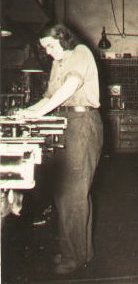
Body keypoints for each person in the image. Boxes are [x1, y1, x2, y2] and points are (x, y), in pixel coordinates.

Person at [15, 23, 103, 274]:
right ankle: (79, 251)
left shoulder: (81, 53)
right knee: (65, 192)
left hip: (82, 123)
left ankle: (73, 256)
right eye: (45, 48)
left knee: (72, 193)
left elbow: (70, 86)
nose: (49, 52)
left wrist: (39, 113)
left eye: (51, 46)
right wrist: (25, 113)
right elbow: (48, 97)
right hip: (64, 122)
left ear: (63, 39)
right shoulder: (57, 62)